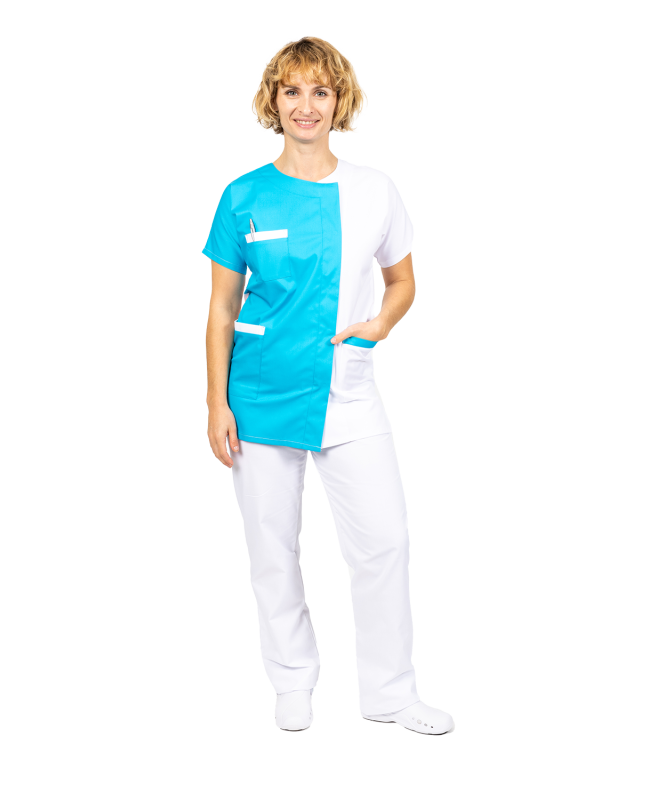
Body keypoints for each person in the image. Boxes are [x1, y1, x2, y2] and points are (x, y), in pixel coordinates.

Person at [202, 36, 454, 736]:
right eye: (292, 91)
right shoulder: (243, 195)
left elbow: (402, 282)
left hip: (350, 394)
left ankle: (389, 694)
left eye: (320, 91)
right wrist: (216, 404)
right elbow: (220, 307)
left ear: (340, 101)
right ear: (272, 101)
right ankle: (292, 683)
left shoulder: (375, 190)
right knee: (272, 550)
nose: (305, 105)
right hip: (258, 398)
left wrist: (380, 326)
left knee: (384, 542)